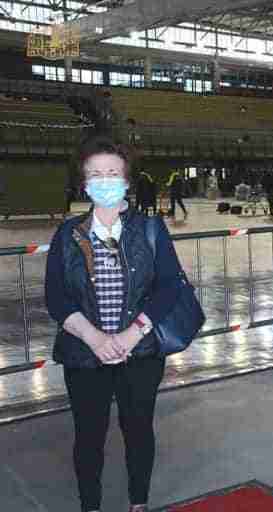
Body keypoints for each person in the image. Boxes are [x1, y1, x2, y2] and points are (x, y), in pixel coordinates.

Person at [44, 135, 185, 512]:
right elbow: (56, 296)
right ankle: (90, 505)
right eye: (95, 174)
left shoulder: (150, 229)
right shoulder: (68, 234)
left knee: (138, 431)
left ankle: (138, 502)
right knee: (88, 436)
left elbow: (170, 286)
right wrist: (94, 338)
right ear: (84, 182)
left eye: (112, 173)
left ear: (126, 179)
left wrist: (132, 334)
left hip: (139, 354)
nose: (104, 180)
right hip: (84, 355)